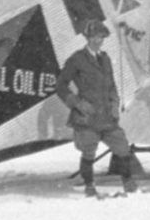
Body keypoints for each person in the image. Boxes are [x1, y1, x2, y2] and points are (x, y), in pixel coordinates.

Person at [56, 19, 138, 196]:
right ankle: (89, 186)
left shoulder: (105, 59)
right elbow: (60, 86)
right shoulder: (77, 59)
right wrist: (77, 103)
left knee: (122, 147)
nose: (97, 40)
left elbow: (111, 86)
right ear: (87, 38)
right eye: (94, 37)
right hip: (87, 116)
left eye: (101, 37)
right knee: (88, 152)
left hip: (107, 116)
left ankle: (128, 183)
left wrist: (115, 103)